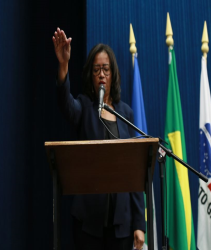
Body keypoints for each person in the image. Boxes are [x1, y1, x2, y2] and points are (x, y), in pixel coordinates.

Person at [52, 27, 145, 250]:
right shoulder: (84, 107)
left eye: (105, 69)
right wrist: (63, 65)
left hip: (122, 224)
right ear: (90, 76)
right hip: (89, 223)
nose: (101, 74)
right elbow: (66, 105)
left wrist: (139, 223)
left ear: (113, 74)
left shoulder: (126, 113)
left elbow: (133, 172)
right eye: (96, 70)